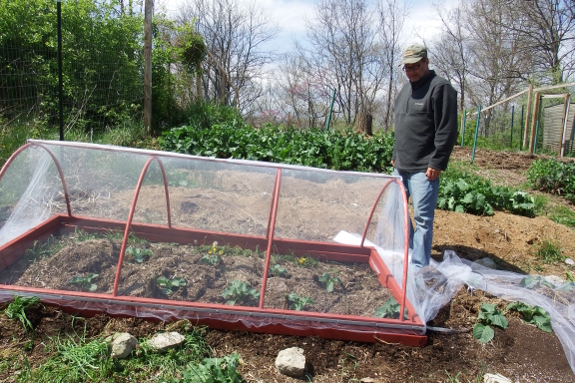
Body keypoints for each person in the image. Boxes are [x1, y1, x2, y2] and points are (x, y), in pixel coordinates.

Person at [391, 43, 458, 268]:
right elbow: (401, 125)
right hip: (401, 165)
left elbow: (447, 128)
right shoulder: (405, 91)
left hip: (424, 168)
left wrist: (437, 160)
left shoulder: (440, 88)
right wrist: (395, 154)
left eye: (416, 66)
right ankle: (410, 253)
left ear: (427, 62)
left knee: (422, 219)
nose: (411, 72)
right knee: (395, 211)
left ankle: (419, 268)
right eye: (407, 68)